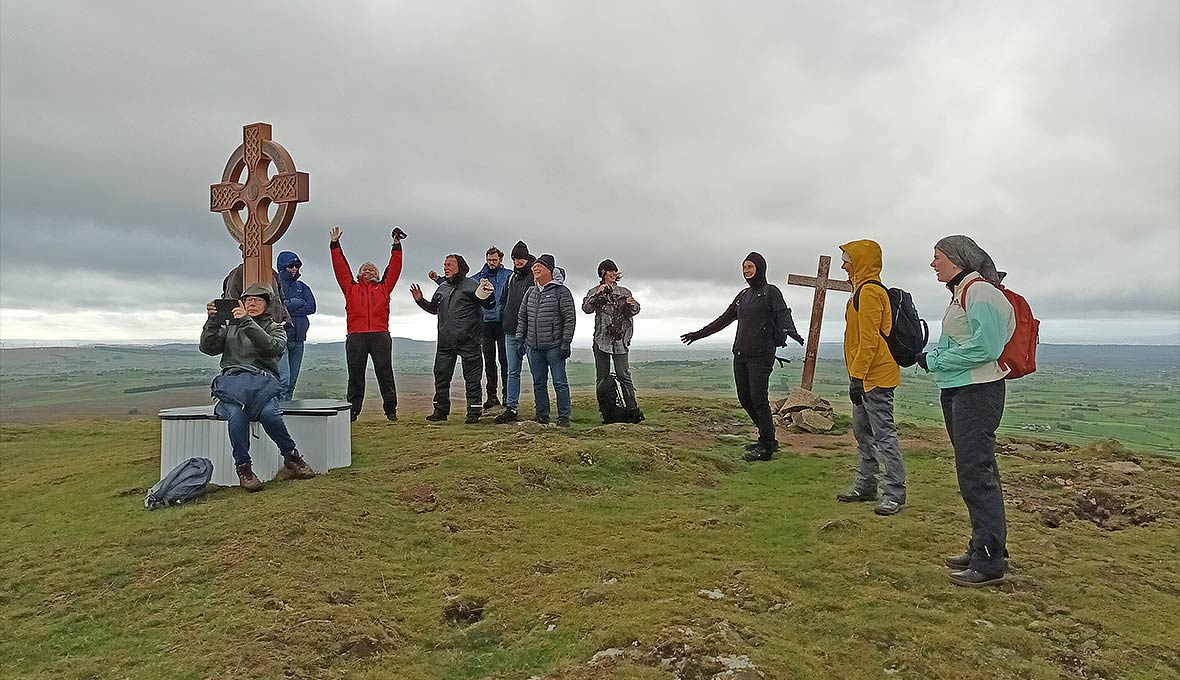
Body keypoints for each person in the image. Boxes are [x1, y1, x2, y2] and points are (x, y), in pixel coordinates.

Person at [917, 235, 1016, 587]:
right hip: (961, 388)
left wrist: (935, 359)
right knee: (978, 469)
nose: (933, 264)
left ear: (958, 259)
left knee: (975, 472)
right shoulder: (963, 292)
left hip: (978, 390)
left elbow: (986, 346)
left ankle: (988, 562)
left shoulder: (980, 292)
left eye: (937, 256)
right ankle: (985, 547)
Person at [680, 252, 804, 461]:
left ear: (760, 268)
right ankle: (768, 437)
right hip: (741, 354)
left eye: (750, 267)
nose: (746, 271)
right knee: (744, 398)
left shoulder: (771, 292)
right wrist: (697, 334)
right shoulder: (743, 296)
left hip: (761, 355)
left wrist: (791, 331)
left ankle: (766, 445)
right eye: (744, 267)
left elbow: (783, 313)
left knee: (758, 398)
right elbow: (723, 320)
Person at [201, 284, 316, 492]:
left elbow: (272, 347)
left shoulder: (275, 327)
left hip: (262, 386)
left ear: (268, 304)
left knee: (270, 414)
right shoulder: (230, 326)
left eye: (258, 300)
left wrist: (246, 321)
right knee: (236, 414)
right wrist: (212, 322)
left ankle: (291, 456)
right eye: (248, 300)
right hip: (233, 386)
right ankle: (244, 468)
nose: (252, 303)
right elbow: (208, 348)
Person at [836, 240, 906, 516]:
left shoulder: (869, 293)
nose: (843, 264)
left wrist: (857, 377)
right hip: (865, 376)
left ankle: (895, 493)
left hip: (875, 377)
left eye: (847, 259)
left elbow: (869, 342)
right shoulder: (860, 290)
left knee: (884, 435)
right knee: (862, 432)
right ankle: (866, 485)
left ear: (860, 261)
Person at [412, 254, 497, 423]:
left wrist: (488, 292)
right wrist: (420, 301)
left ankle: (473, 413)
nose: (446, 267)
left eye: (449, 264)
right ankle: (440, 412)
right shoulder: (442, 287)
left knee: (472, 379)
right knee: (441, 377)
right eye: (445, 264)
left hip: (469, 341)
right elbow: (434, 309)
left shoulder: (472, 285)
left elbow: (489, 305)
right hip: (445, 342)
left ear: (460, 267)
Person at [330, 226, 403, 421]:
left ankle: (391, 410)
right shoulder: (351, 288)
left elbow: (394, 269)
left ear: (378, 273)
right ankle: (353, 411)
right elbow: (341, 269)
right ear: (359, 274)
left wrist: (396, 246)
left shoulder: (384, 287)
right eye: (364, 268)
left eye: (372, 268)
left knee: (385, 372)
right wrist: (335, 245)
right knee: (355, 374)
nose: (368, 269)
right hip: (356, 336)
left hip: (380, 334)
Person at [517, 253, 576, 426]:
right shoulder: (530, 291)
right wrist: (520, 340)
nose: (535, 268)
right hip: (533, 347)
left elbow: (569, 318)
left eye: (539, 266)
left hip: (555, 346)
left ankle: (564, 418)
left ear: (549, 270)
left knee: (560, 382)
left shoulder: (562, 292)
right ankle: (542, 416)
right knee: (538, 383)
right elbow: (522, 317)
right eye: (534, 266)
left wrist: (566, 343)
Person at [582, 259, 643, 421]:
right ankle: (607, 412)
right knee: (602, 377)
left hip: (620, 339)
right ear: (603, 273)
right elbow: (586, 309)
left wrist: (632, 304)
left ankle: (632, 411)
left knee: (623, 375)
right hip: (601, 339)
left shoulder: (624, 291)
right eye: (610, 271)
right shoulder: (594, 290)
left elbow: (635, 310)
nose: (614, 274)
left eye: (615, 271)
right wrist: (598, 293)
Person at [494, 241, 536, 424]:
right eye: (515, 259)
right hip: (510, 331)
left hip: (530, 332)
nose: (517, 262)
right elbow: (502, 299)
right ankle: (511, 408)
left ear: (526, 258)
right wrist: (504, 316)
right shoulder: (511, 278)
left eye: (520, 258)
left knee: (538, 372)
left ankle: (541, 409)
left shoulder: (534, 276)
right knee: (512, 372)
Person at [471, 247, 512, 408]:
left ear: (500, 260)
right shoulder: (479, 277)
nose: (491, 263)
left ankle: (508, 396)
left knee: (505, 360)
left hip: (503, 322)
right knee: (489, 361)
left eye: (494, 260)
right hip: (485, 322)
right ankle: (492, 397)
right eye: (489, 260)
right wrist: (438, 279)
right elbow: (462, 284)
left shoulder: (509, 275)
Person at [275, 250, 316, 401]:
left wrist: (289, 307)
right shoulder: (275, 286)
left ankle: (288, 413)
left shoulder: (302, 287)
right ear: (281, 267)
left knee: (291, 383)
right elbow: (276, 308)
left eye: (297, 266)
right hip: (281, 339)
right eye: (291, 266)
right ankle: (278, 413)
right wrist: (298, 303)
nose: (294, 269)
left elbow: (312, 307)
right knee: (284, 381)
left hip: (299, 340)